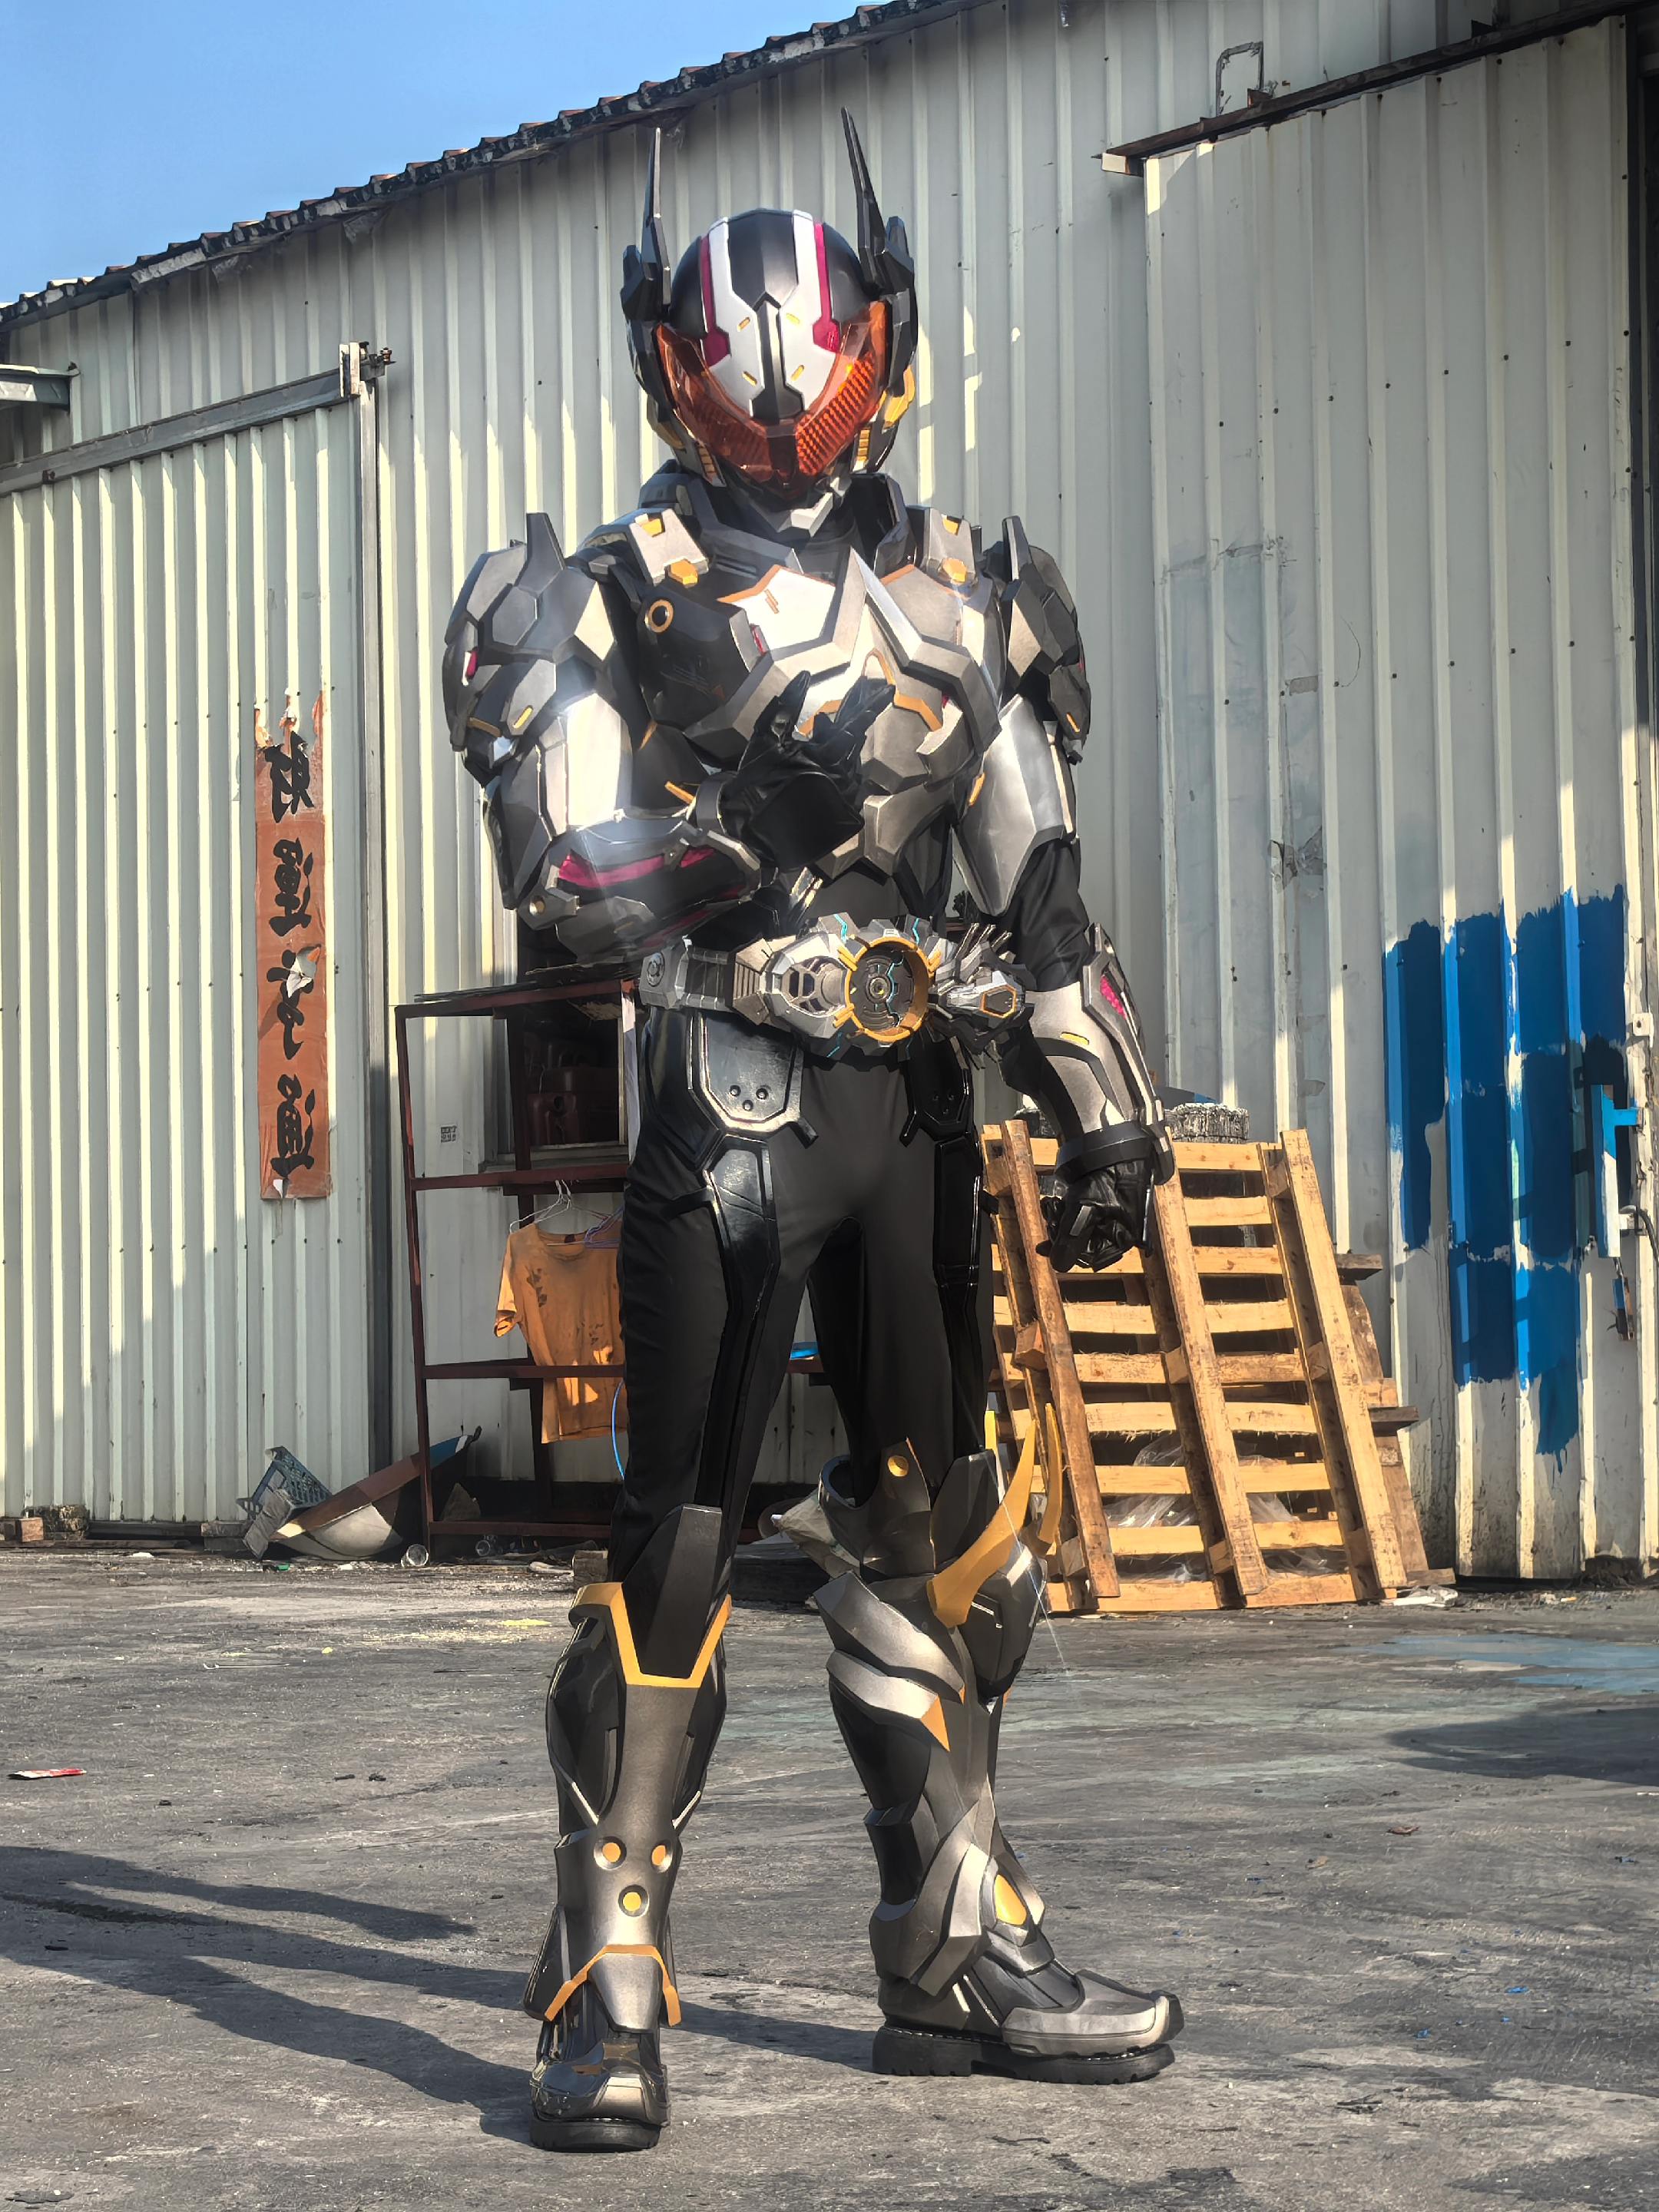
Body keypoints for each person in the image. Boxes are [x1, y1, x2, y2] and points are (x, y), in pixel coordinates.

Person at [442, 114, 1183, 2154]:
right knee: (676, 1539)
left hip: (915, 1101)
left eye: (812, 368)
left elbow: (1038, 889)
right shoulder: (602, 597)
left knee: (946, 1537)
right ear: (675, 370)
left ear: (882, 350)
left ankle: (951, 1944)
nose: (778, 412)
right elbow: (563, 881)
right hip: (728, 1090)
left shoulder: (963, 589)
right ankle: (605, 1974)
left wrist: (1105, 1106)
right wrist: (737, 840)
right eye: (737, 375)